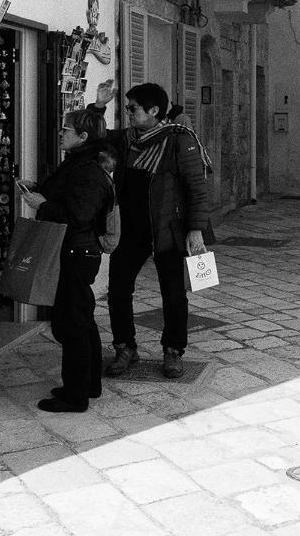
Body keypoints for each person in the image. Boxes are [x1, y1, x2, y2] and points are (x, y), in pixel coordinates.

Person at [89, 82, 211, 379]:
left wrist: (195, 229)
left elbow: (197, 187)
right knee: (118, 290)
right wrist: (99, 106)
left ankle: (173, 351)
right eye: (127, 108)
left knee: (173, 294)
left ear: (154, 110)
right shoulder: (126, 139)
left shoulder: (180, 140)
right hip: (130, 229)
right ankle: (125, 348)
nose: (128, 113)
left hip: (167, 229)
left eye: (133, 108)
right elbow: (93, 138)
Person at [19, 110, 115, 413]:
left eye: (66, 129)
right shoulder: (78, 164)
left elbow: (78, 215)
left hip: (76, 252)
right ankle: (88, 384)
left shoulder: (86, 170)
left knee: (72, 324)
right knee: (81, 320)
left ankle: (75, 396)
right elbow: (68, 198)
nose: (60, 133)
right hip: (74, 252)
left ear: (83, 137)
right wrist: (37, 190)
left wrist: (43, 205)